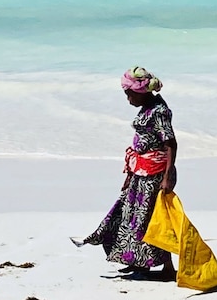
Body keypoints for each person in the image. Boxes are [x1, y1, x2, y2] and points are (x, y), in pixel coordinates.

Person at [74, 66, 177, 280]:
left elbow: (170, 143)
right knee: (131, 216)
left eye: (129, 94)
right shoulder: (147, 107)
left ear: (140, 91)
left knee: (153, 218)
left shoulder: (159, 111)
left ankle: (167, 268)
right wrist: (131, 174)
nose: (128, 99)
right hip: (140, 173)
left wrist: (168, 176)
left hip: (154, 175)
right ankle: (139, 262)